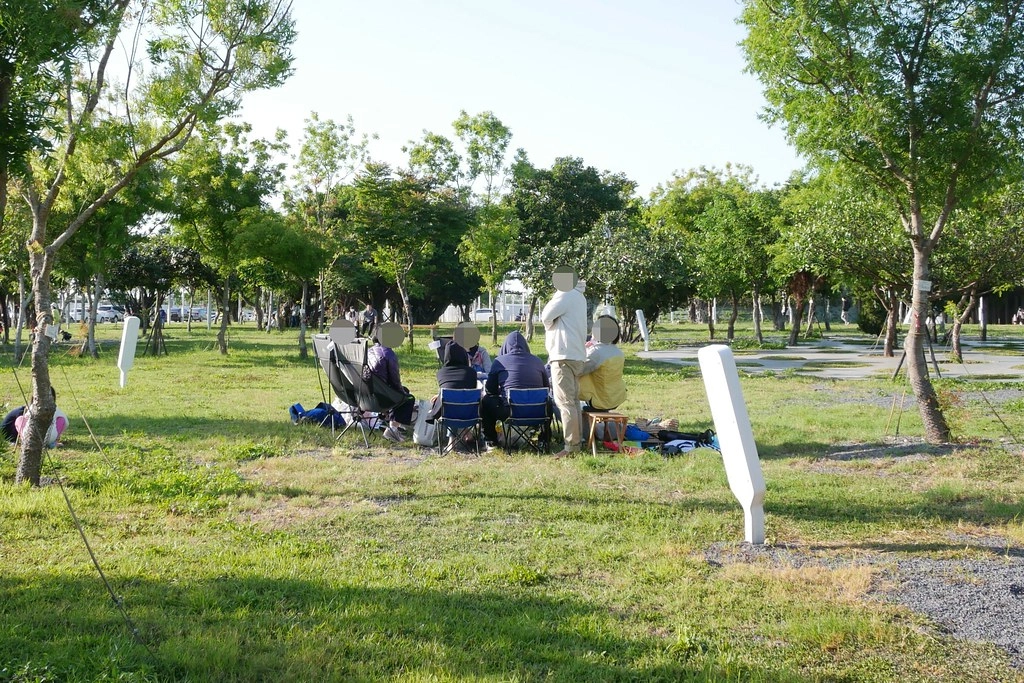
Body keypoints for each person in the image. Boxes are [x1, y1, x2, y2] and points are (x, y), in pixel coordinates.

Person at [540, 266, 588, 457]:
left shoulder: (564, 294)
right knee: (574, 401)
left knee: (565, 402)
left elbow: (546, 316)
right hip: (577, 355)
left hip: (562, 355)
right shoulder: (580, 296)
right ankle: (578, 441)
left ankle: (571, 447)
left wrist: (549, 325)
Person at [482, 330, 550, 451]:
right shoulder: (538, 361)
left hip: (510, 411)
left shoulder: (499, 362)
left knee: (486, 401)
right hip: (538, 411)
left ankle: (491, 440)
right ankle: (544, 439)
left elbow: (490, 390)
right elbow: (546, 388)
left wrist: (502, 392)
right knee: (548, 402)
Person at [365, 322, 415, 442]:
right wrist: (403, 393)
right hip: (382, 396)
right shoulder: (388, 353)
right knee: (408, 398)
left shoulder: (368, 351)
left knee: (404, 391)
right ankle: (392, 429)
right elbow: (395, 382)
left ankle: (387, 421)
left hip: (367, 394)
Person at [578, 316, 627, 411]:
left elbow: (579, 370)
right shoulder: (618, 352)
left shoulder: (596, 352)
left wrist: (584, 350)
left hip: (599, 399)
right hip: (616, 396)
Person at [427, 340, 479, 421]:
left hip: (447, 414)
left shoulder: (441, 373)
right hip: (468, 414)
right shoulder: (471, 372)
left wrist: (439, 395)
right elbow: (470, 390)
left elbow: (450, 386)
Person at [2, 387, 67, 447]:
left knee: (20, 419)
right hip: (49, 439)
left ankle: (26, 442)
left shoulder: (29, 409)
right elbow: (66, 422)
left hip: (30, 439)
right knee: (61, 420)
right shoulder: (55, 409)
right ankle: (53, 443)